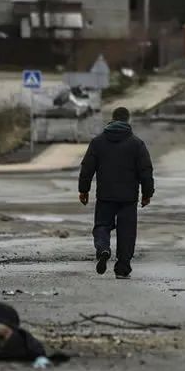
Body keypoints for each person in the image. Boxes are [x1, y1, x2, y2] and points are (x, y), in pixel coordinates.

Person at [78, 106, 155, 279]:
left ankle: (103, 249)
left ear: (112, 119)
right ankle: (122, 268)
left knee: (102, 226)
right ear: (128, 121)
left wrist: (83, 190)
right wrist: (147, 193)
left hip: (105, 195)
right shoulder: (136, 144)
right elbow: (146, 170)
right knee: (127, 232)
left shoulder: (98, 142)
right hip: (128, 197)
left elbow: (87, 168)